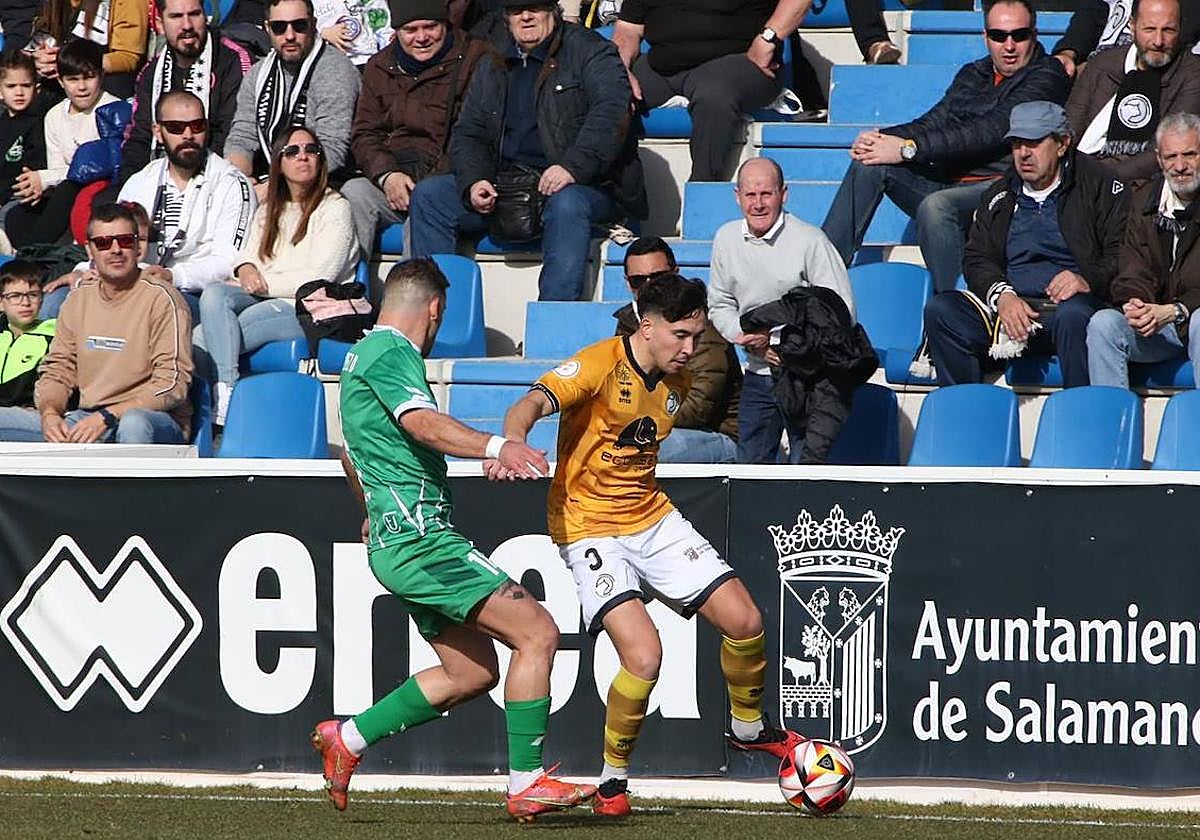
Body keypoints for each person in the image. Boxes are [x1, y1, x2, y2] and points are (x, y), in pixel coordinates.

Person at [500, 273, 802, 816]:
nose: (689, 348)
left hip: (651, 515)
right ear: (647, 326)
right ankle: (613, 783)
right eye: (680, 336)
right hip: (588, 525)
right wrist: (513, 442)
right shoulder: (597, 364)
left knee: (746, 621)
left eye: (697, 337)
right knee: (644, 655)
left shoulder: (676, 379)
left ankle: (747, 728)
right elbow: (530, 403)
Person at [311, 256, 595, 821]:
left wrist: (370, 510)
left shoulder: (359, 357)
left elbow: (349, 452)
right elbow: (420, 423)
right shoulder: (392, 352)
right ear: (435, 309)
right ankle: (527, 782)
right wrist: (498, 446)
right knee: (537, 632)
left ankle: (349, 738)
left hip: (401, 538)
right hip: (420, 540)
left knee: (471, 672)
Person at [821, 0, 1070, 294]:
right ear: (985, 37)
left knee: (937, 206)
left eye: (1019, 35)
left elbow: (991, 130)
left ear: (1034, 35)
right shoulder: (974, 73)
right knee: (870, 163)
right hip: (951, 181)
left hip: (1002, 188)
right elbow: (935, 121)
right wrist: (880, 138)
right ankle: (822, 281)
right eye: (998, 36)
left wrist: (908, 148)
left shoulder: (1047, 74)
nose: (1009, 46)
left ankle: (955, 305)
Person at [408, 1, 645, 302]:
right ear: (506, 18)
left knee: (567, 204)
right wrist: (475, 180)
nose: (526, 17)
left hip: (585, 184)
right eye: (517, 11)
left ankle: (553, 318)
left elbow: (612, 113)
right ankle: (433, 314)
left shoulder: (590, 49)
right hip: (506, 185)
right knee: (430, 196)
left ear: (553, 11)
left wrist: (572, 168)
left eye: (534, 8)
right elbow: (469, 131)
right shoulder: (492, 58)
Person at [924, 101, 1129, 389]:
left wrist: (1086, 279)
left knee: (1075, 316)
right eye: (1017, 143)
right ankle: (969, 407)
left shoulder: (1101, 184)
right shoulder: (1000, 195)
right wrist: (1003, 296)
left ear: (1062, 144)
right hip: (1013, 311)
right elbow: (977, 258)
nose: (1023, 153)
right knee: (943, 310)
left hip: (1072, 308)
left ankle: (1080, 409)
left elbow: (1123, 252)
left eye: (1033, 142)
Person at [197, 126, 357, 424]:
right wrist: (245, 269)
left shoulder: (336, 208)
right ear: (279, 163)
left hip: (308, 307)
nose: (303, 157)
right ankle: (227, 392)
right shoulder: (269, 208)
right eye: (292, 151)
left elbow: (319, 277)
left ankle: (225, 399)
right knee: (214, 295)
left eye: (312, 150)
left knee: (202, 337)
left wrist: (261, 283)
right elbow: (248, 254)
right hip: (264, 295)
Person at [708, 157, 855, 464]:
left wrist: (779, 343)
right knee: (750, 471)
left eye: (767, 194)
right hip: (757, 376)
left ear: (783, 194)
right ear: (737, 197)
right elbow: (720, 304)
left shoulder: (811, 241)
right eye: (750, 195)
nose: (758, 204)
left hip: (808, 379)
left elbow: (840, 314)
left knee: (804, 472)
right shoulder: (725, 238)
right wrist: (745, 336)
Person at [35, 202, 194, 444]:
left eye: (125, 241)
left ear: (138, 247)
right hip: (87, 416)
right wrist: (50, 414)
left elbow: (173, 383)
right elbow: (58, 368)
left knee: (133, 423)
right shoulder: (78, 299)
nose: (116, 249)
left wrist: (110, 415)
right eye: (103, 243)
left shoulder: (162, 299)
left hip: (151, 417)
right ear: (90, 250)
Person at [342, 0, 486, 261]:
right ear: (396, 30)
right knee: (354, 193)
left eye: (430, 27)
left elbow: (474, 136)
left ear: (445, 24)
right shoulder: (379, 66)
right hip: (396, 176)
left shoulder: (476, 59)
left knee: (427, 203)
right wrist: (387, 175)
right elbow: (365, 133)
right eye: (410, 30)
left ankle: (416, 286)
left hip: (448, 182)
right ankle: (349, 284)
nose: (421, 38)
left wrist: (422, 188)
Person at [612, 0, 807, 182]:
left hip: (741, 61)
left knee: (714, 92)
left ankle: (702, 191)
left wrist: (768, 39)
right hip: (663, 64)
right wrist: (621, 69)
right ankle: (606, 192)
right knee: (607, 86)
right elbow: (628, 29)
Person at [118, 91, 257, 325]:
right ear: (158, 132)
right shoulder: (141, 181)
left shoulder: (232, 183)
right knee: (62, 300)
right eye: (175, 127)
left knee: (146, 306)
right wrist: (84, 271)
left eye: (197, 126)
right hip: (138, 284)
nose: (188, 135)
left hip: (196, 293)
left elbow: (228, 260)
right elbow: (114, 238)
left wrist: (173, 276)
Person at [1087, 112, 1200, 388]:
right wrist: (1137, 305)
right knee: (1103, 324)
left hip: (1192, 317)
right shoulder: (1143, 201)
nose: (1180, 166)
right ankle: (1111, 414)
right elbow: (1132, 269)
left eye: (1190, 154)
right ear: (1159, 160)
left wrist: (1176, 310)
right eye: (1171, 157)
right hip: (1159, 325)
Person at [612, 237, 739, 463]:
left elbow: (699, 408)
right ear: (628, 283)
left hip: (716, 435)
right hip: (655, 425)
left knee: (638, 449)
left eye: (658, 277)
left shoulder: (699, 324)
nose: (649, 287)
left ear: (676, 272)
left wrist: (640, 417)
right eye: (638, 280)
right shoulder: (629, 322)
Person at [223, 0, 362, 195]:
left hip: (327, 182)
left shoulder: (335, 70)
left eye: (299, 25)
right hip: (272, 179)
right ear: (267, 28)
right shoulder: (257, 74)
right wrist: (239, 182)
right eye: (279, 27)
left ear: (313, 25)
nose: (289, 36)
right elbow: (242, 137)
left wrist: (273, 189)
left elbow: (332, 150)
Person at [116, 0, 253, 189]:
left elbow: (234, 136)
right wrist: (131, 188)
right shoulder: (151, 73)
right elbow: (140, 138)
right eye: (176, 16)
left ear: (205, 16)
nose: (187, 25)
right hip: (158, 177)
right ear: (160, 23)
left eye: (194, 14)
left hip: (214, 179)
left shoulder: (233, 61)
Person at [1065, 0, 1200, 185]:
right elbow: (1069, 128)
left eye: (1168, 30)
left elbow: (1165, 150)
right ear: (1132, 25)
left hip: (1136, 184)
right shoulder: (1103, 64)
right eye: (1149, 29)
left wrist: (1100, 181)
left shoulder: (1191, 74)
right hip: (1078, 172)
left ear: (1180, 29)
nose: (1158, 41)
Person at [5, 39, 121, 249]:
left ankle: (34, 251)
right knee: (17, 215)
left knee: (68, 188)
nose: (82, 87)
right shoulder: (54, 116)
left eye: (89, 77)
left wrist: (45, 178)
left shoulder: (112, 110)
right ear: (60, 80)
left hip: (99, 191)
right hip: (61, 192)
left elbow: (105, 167)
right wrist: (37, 184)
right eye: (73, 79)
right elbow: (56, 167)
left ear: (101, 76)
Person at [27, 0, 150, 98]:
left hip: (103, 94)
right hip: (56, 90)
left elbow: (128, 57)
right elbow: (36, 43)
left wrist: (70, 63)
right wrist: (39, 58)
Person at [1052, 0, 1200, 79]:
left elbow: (1162, 47)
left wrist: (1098, 68)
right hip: (1095, 70)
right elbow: (1089, 17)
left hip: (1145, 74)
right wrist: (1068, 53)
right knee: (1051, 72)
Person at [0, 260, 56, 441]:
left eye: (33, 295)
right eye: (15, 296)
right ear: (1, 302)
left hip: (33, 416)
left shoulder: (55, 335)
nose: (25, 302)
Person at [0, 50, 47, 239]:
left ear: (37, 89)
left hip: (21, 197)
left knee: (6, 218)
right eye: (11, 86)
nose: (19, 92)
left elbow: (29, 170)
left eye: (26, 85)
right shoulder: (2, 122)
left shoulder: (39, 122)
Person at [314, 0, 393, 66]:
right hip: (330, 63)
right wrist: (321, 34)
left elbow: (383, 27)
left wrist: (389, 58)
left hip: (368, 59)